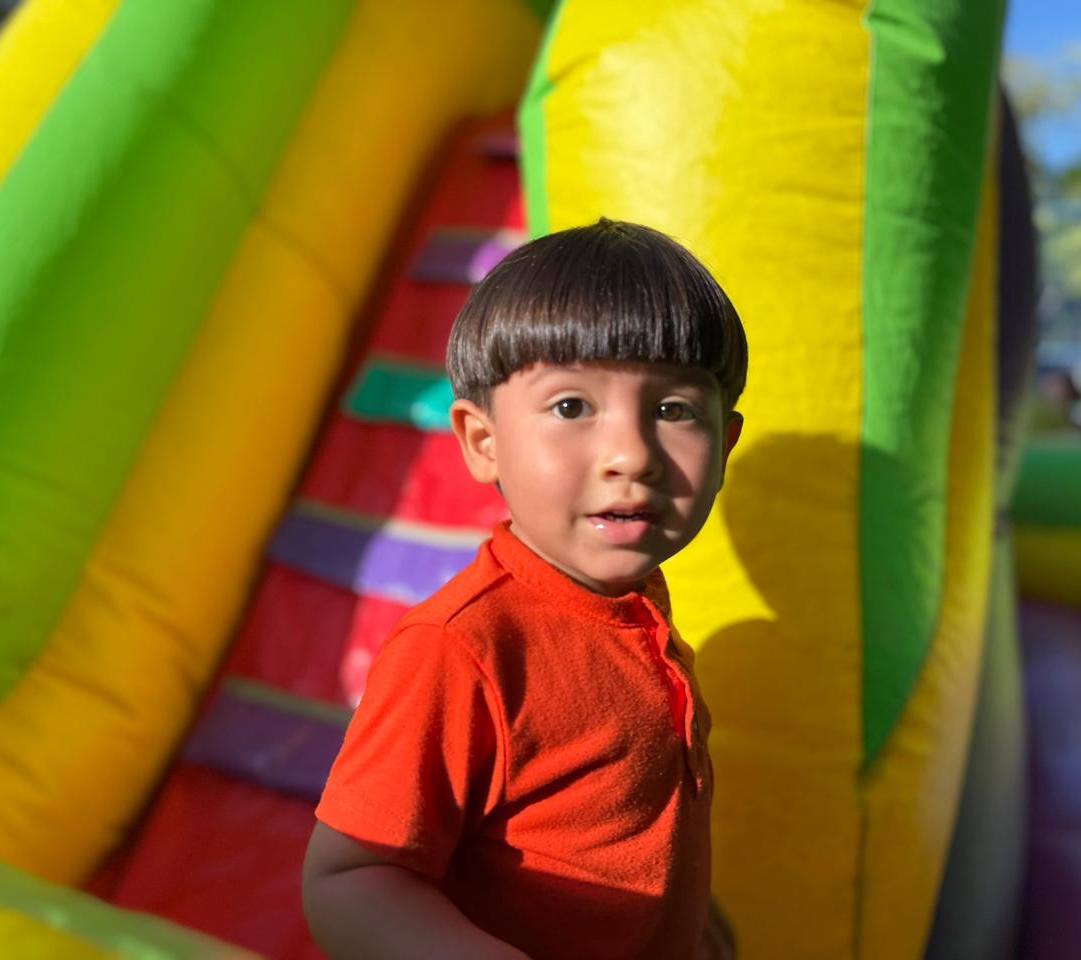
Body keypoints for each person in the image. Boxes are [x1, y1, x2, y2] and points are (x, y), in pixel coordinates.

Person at [303, 218, 748, 959]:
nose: (630, 454)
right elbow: (352, 877)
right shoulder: (463, 647)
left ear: (725, 443)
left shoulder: (639, 618)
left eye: (673, 410)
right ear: (484, 442)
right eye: (573, 407)